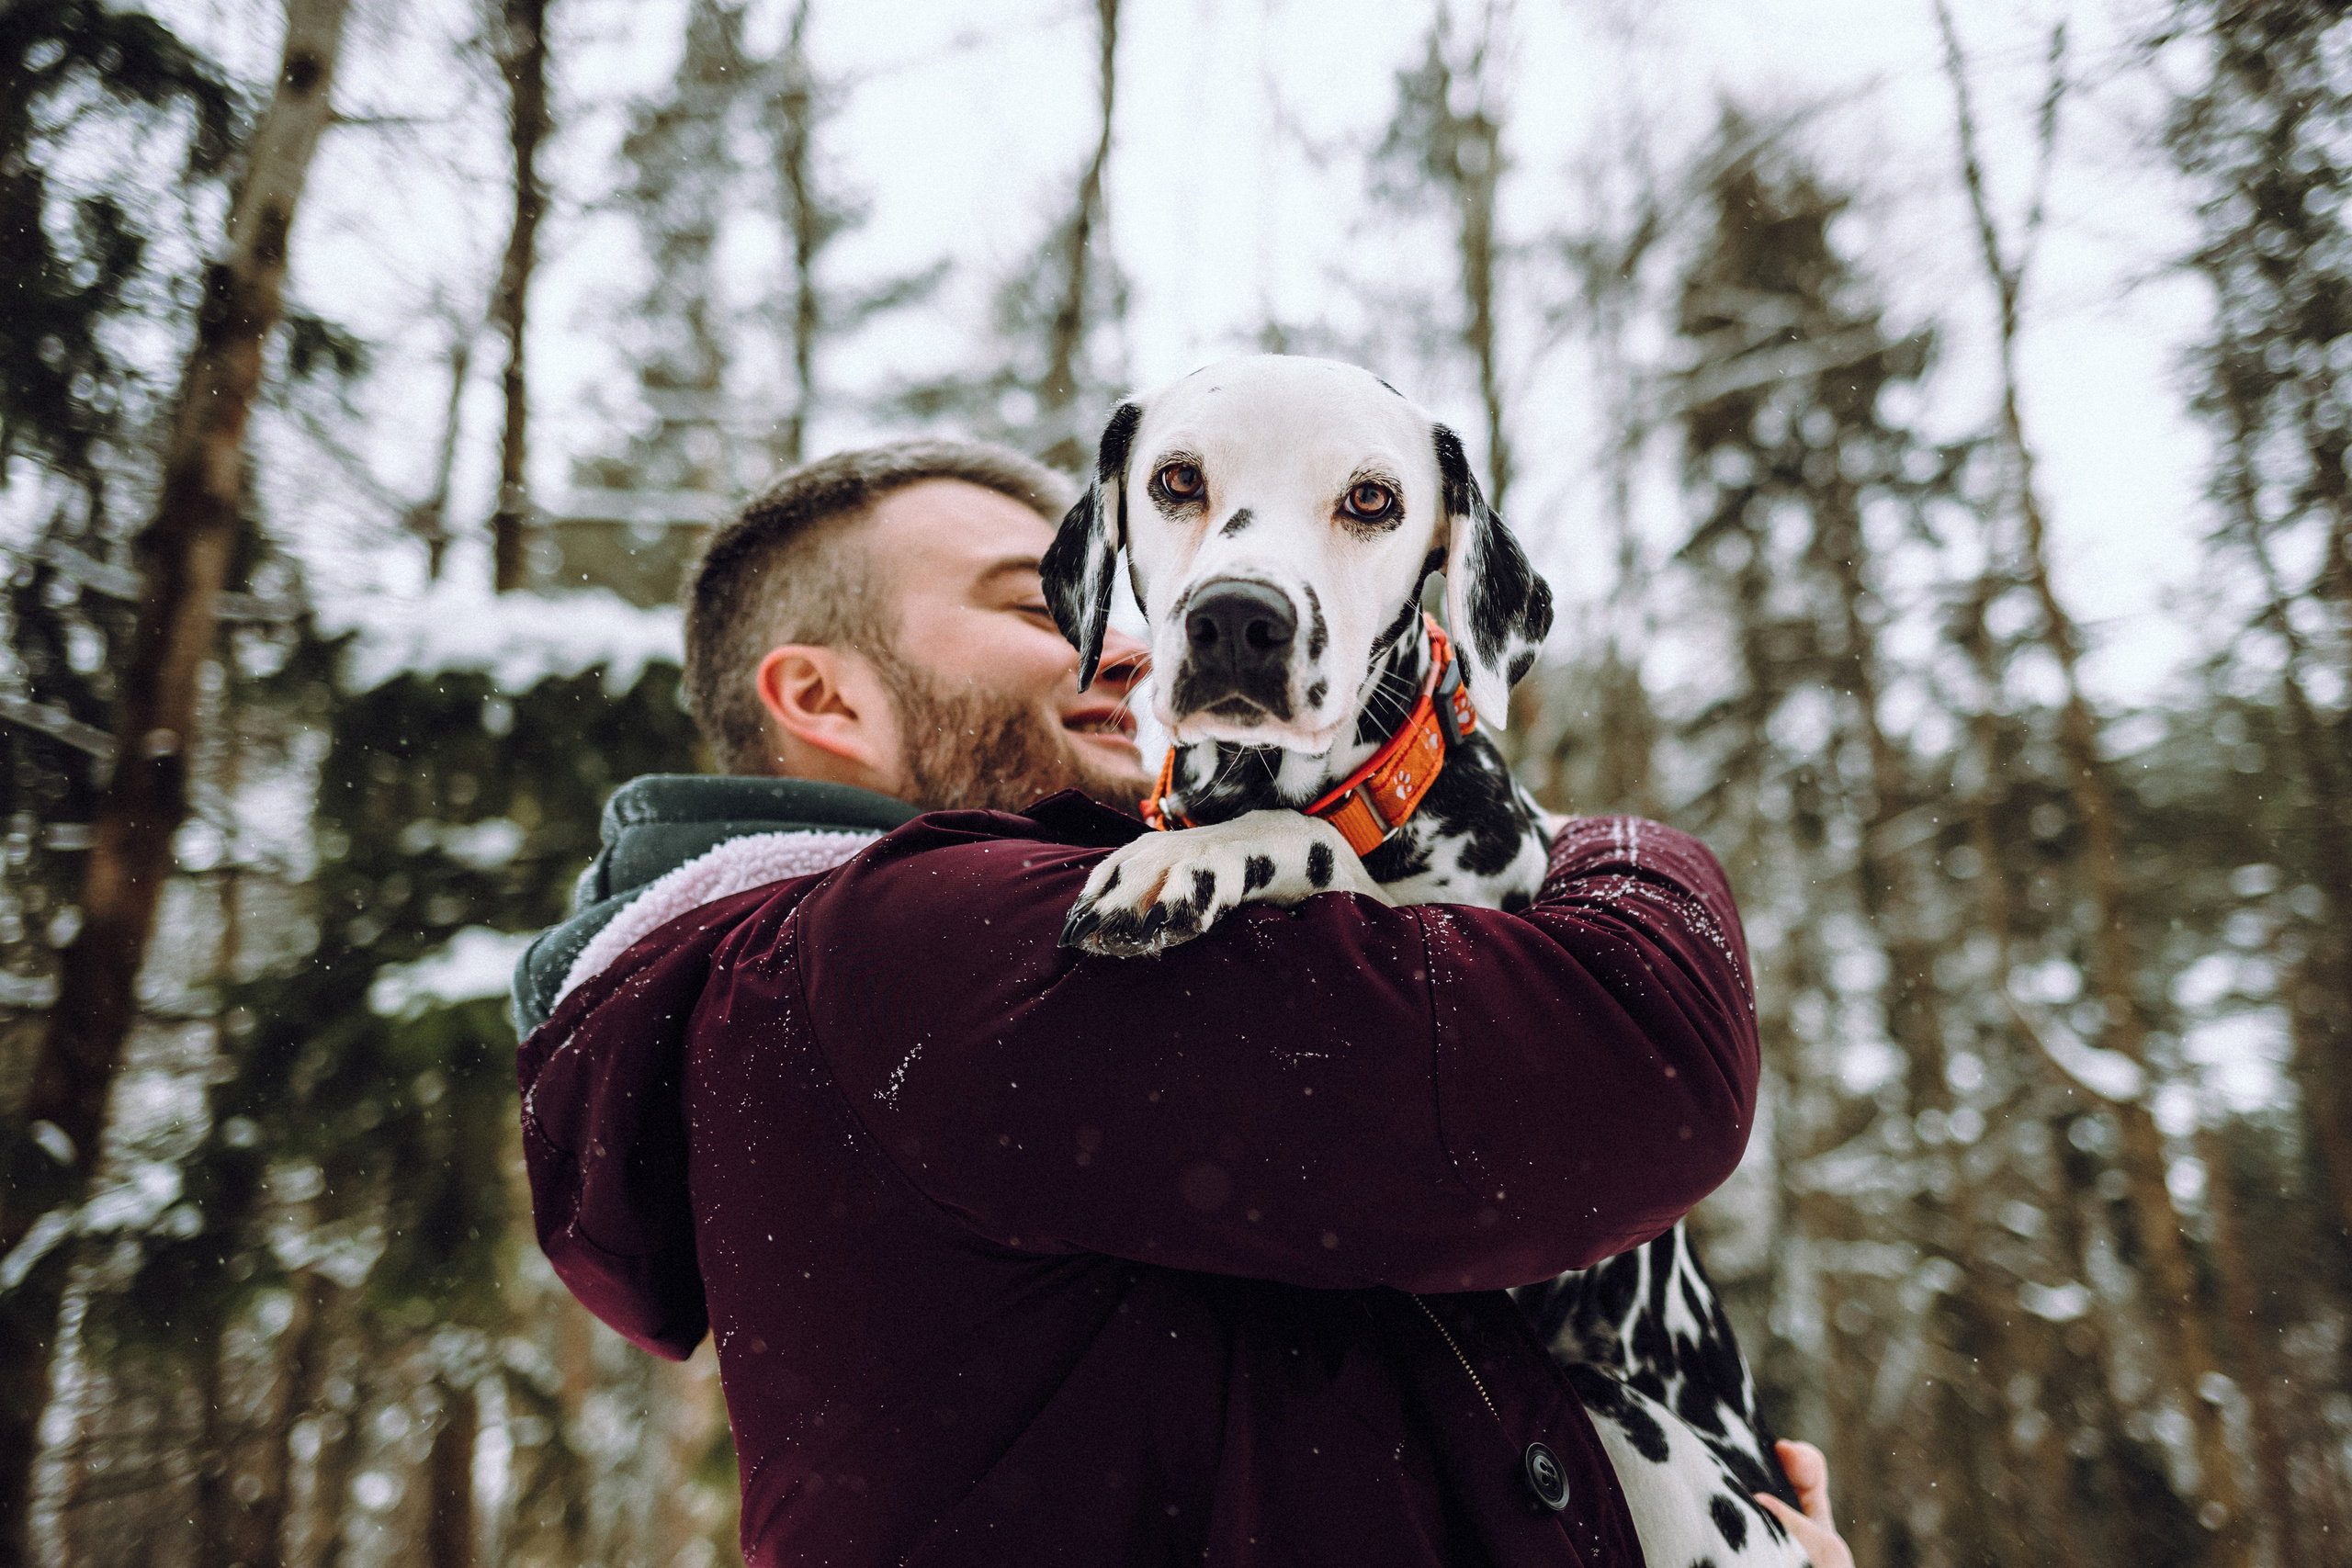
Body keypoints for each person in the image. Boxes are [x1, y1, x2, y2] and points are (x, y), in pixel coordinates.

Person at [511, 440, 1855, 1567]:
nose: (1130, 652)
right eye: (1045, 609)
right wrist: (1597, 844)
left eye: (1118, 599)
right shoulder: (898, 948)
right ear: (822, 697)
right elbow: (1632, 1067)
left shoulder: (812, 1014)